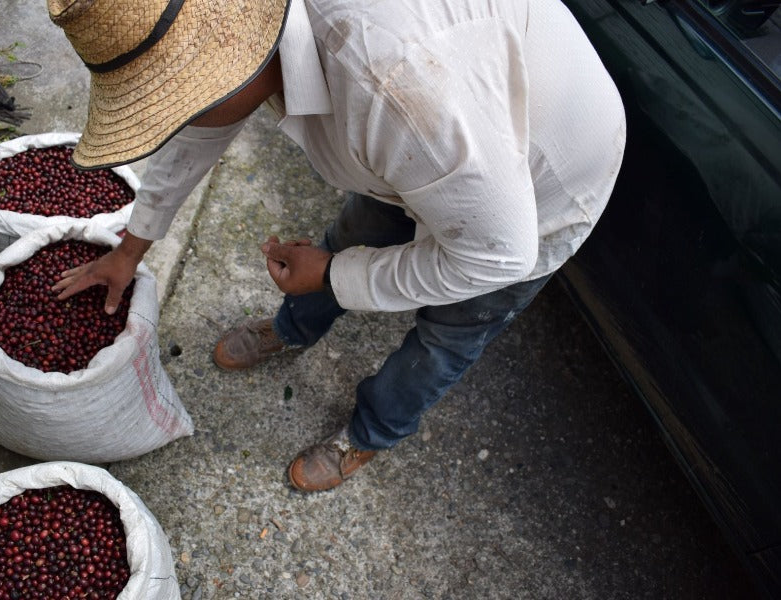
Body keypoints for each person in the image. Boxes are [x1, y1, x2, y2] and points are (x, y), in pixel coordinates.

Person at [49, 0, 626, 492]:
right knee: (356, 234)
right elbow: (204, 128)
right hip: (444, 141)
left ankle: (370, 433)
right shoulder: (245, 35)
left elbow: (497, 253)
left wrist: (333, 275)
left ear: (233, 56)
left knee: (447, 334)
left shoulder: (394, 86)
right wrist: (129, 250)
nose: (179, 121)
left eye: (179, 103)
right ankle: (293, 328)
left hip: (539, 183)